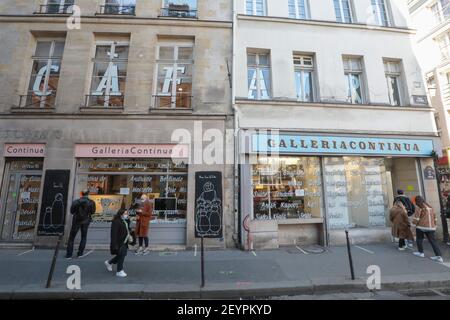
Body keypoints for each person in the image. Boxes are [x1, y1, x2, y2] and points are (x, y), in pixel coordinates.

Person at [412, 195, 444, 263]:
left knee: (419, 239)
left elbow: (416, 218)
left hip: (421, 227)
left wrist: (413, 224)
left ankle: (421, 253)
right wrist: (435, 225)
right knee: (433, 242)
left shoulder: (419, 208)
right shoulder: (431, 207)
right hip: (431, 227)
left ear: (417, 201)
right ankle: (439, 257)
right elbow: (435, 218)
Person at [65, 190, 96, 259]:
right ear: (88, 194)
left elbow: (72, 211)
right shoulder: (91, 202)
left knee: (71, 238)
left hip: (76, 221)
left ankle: (69, 254)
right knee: (83, 237)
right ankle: (80, 253)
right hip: (86, 221)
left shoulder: (76, 201)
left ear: (81, 194)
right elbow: (93, 212)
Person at [105, 208, 133, 277]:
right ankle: (119, 271)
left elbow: (127, 228)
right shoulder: (116, 221)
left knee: (122, 255)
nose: (127, 215)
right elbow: (113, 234)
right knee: (122, 255)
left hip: (124, 241)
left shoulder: (124, 221)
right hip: (119, 242)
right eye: (125, 213)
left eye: (127, 213)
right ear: (121, 214)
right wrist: (115, 245)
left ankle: (109, 262)